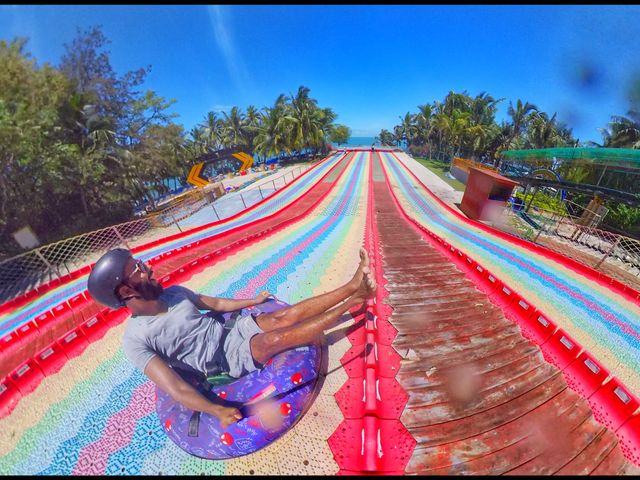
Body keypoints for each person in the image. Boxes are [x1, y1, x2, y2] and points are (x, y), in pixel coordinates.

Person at [87, 248, 376, 428]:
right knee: (271, 341)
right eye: (137, 269)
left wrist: (253, 299)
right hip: (223, 362)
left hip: (230, 331)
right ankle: (358, 297)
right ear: (126, 291)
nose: (147, 267)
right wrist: (217, 410)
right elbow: (174, 387)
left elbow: (215, 304)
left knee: (281, 318)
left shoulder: (173, 293)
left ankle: (353, 284)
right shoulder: (135, 339)